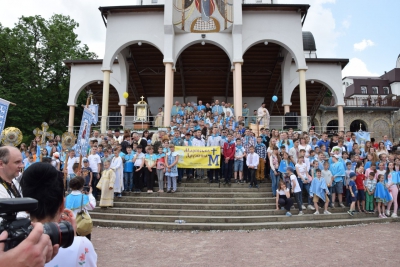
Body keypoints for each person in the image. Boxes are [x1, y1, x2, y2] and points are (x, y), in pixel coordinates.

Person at [20, 162, 97, 266]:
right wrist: (73, 238)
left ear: (26, 208)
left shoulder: (11, 246)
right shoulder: (81, 245)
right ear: (62, 205)